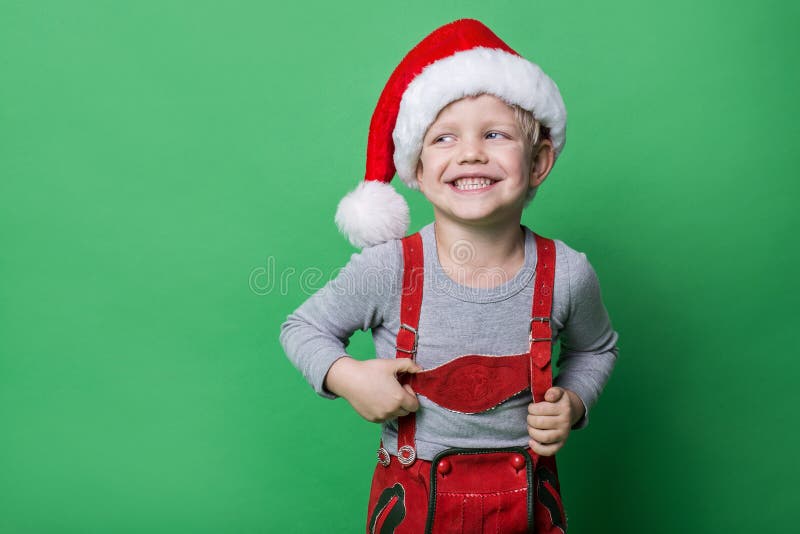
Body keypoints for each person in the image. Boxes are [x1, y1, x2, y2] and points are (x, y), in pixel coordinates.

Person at [279, 18, 618, 533]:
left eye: (496, 133)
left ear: (539, 160)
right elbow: (301, 329)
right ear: (415, 167)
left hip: (526, 511)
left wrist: (572, 403)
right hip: (413, 509)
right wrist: (348, 378)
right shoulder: (390, 268)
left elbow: (596, 349)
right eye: (443, 137)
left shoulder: (567, 272)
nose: (471, 152)